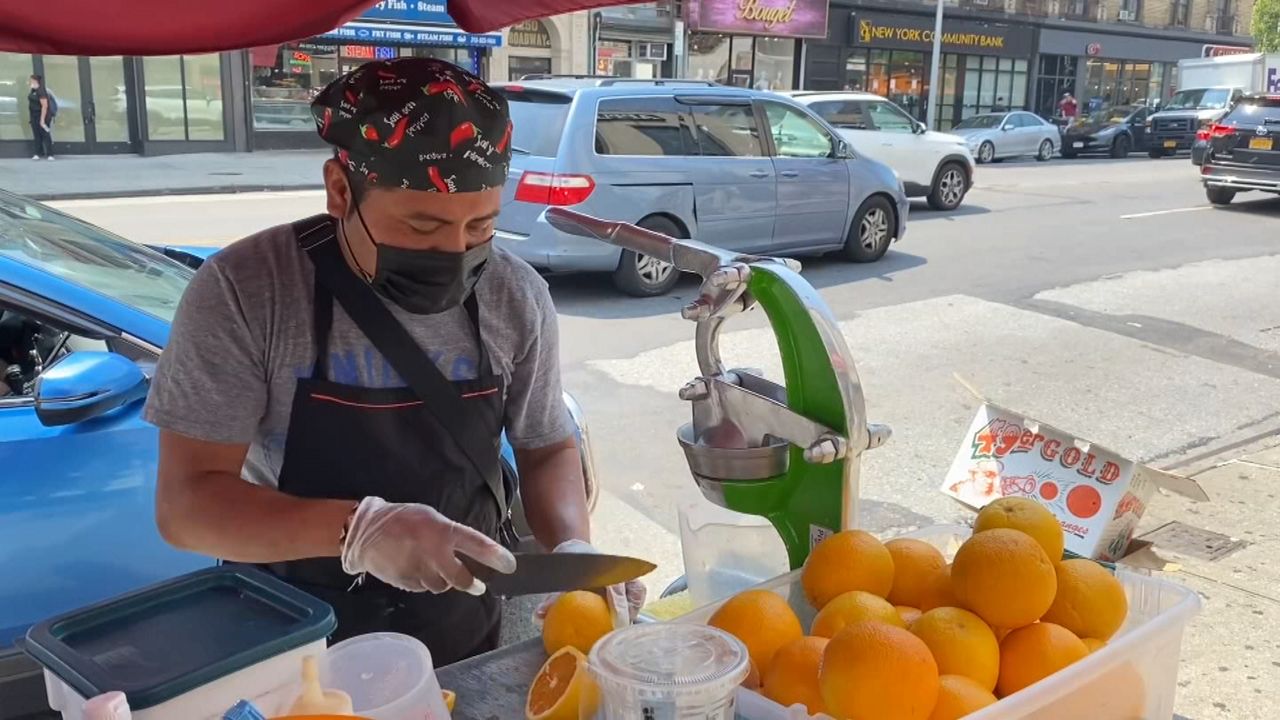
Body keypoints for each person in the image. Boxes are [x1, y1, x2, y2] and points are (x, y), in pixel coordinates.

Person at [146, 58, 644, 666]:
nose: (455, 252)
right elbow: (186, 508)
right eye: (423, 225)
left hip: (458, 625)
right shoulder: (247, 291)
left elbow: (548, 449)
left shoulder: (515, 295)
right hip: (294, 633)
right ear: (339, 190)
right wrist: (359, 530)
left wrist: (571, 546)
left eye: (480, 226)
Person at [28, 74, 53, 160]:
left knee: (45, 134)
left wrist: (42, 120)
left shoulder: (41, 91)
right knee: (37, 134)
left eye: (31, 80)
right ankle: (38, 153)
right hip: (34, 115)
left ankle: (50, 154)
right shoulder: (33, 90)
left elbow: (44, 106)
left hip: (43, 115)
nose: (30, 82)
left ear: (36, 81)